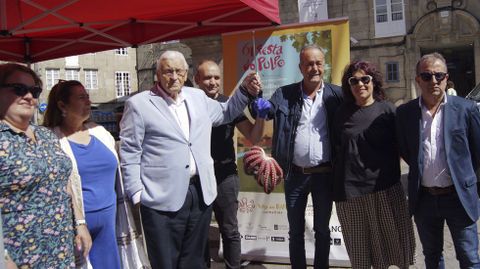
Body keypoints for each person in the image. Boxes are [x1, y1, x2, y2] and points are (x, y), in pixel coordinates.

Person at [119, 50, 261, 269]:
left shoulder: (197, 97)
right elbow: (130, 151)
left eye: (178, 71)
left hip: (200, 192)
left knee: (194, 260)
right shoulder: (139, 104)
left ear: (186, 74)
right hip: (160, 197)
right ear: (158, 74)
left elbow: (226, 112)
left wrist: (244, 90)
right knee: (166, 261)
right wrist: (136, 193)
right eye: (168, 71)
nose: (173, 77)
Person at [251, 45, 342, 269]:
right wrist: (257, 102)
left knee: (322, 230)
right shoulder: (285, 94)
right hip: (294, 175)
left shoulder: (337, 95)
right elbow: (267, 110)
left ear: (324, 65)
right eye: (309, 63)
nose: (314, 68)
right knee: (295, 231)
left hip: (324, 175)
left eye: (318, 63)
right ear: (301, 67)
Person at [396, 52, 480, 268]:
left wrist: (472, 189)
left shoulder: (466, 109)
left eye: (439, 75)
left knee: (469, 259)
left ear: (446, 78)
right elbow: (407, 151)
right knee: (432, 257)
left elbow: (477, 153)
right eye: (426, 76)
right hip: (424, 199)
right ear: (417, 80)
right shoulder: (405, 113)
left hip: (458, 198)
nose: (433, 81)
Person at [332, 61, 415, 268]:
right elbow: (335, 150)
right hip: (351, 195)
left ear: (373, 82)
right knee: (361, 254)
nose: (360, 84)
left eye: (365, 79)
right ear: (348, 85)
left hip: (385, 190)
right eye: (354, 80)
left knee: (394, 249)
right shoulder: (341, 114)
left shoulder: (387, 111)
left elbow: (404, 147)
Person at [0, 63, 83, 268]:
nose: (29, 96)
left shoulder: (46, 134)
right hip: (20, 256)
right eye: (19, 89)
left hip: (61, 249)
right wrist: (3, 260)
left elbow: (63, 183)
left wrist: (80, 224)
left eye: (35, 91)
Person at [194, 60, 265, 269]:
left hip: (225, 175)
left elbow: (253, 136)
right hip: (197, 176)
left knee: (230, 230)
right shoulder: (189, 105)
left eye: (216, 77)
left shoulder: (229, 104)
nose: (212, 82)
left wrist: (261, 115)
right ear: (197, 80)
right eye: (207, 77)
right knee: (199, 231)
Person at [43, 80, 121, 269]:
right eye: (81, 97)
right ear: (62, 105)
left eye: (87, 96)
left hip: (109, 223)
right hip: (73, 226)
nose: (88, 101)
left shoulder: (100, 132)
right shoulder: (50, 139)